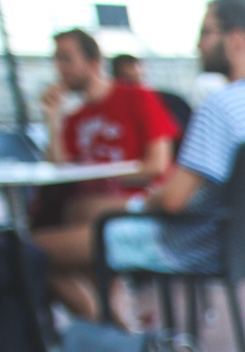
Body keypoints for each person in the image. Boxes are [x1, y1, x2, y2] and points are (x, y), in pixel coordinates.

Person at [32, 0, 245, 323]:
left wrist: (145, 202)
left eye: (206, 32)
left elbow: (174, 201)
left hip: (188, 242)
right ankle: (115, 316)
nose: (198, 44)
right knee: (78, 210)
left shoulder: (220, 104)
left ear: (236, 41)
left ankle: (114, 331)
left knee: (30, 248)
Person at [34, 29, 179, 319]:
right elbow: (59, 169)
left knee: (28, 251)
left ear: (94, 61)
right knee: (48, 239)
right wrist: (52, 118)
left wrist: (110, 177)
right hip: (92, 219)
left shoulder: (138, 98)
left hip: (140, 215)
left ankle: (110, 326)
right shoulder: (75, 118)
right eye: (56, 60)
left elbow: (158, 165)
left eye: (67, 59)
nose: (59, 68)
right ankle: (113, 321)